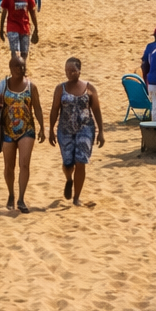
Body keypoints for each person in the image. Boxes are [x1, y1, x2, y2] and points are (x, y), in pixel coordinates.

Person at [0, 54, 44, 213]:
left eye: (23, 66)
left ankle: (21, 198)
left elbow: (37, 107)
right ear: (10, 68)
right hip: (7, 130)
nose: (21, 69)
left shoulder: (31, 86)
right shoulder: (3, 85)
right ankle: (11, 194)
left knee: (24, 164)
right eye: (17, 67)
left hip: (27, 129)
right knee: (9, 166)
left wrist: (42, 127)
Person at [48, 57, 104, 206]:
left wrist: (101, 131)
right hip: (65, 130)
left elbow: (96, 110)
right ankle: (68, 179)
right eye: (67, 71)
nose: (69, 73)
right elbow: (54, 109)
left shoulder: (89, 88)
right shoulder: (60, 88)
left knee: (81, 162)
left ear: (79, 71)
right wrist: (51, 130)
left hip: (85, 129)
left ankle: (76, 197)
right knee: (68, 164)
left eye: (73, 71)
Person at [0, 0, 38, 64]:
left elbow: (3, 14)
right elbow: (33, 14)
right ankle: (22, 70)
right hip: (25, 28)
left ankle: (17, 71)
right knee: (24, 53)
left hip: (12, 28)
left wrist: (1, 28)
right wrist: (36, 28)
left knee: (15, 52)